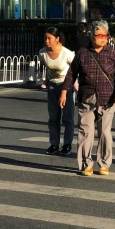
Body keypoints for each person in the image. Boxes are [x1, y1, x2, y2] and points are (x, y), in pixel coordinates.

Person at [62, 20, 115, 176]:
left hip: (107, 97)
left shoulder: (111, 53)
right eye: (100, 35)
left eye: (106, 35)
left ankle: (104, 163)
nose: (103, 38)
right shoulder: (83, 53)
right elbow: (71, 73)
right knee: (86, 132)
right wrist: (64, 91)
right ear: (91, 36)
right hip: (87, 97)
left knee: (104, 133)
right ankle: (86, 164)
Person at [39, 27, 76, 155]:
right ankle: (54, 144)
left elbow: (75, 70)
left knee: (67, 117)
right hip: (52, 86)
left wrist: (72, 86)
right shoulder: (42, 53)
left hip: (66, 86)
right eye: (45, 38)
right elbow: (47, 69)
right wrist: (46, 81)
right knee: (53, 117)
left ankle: (67, 144)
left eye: (49, 38)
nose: (47, 41)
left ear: (57, 39)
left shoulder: (67, 54)